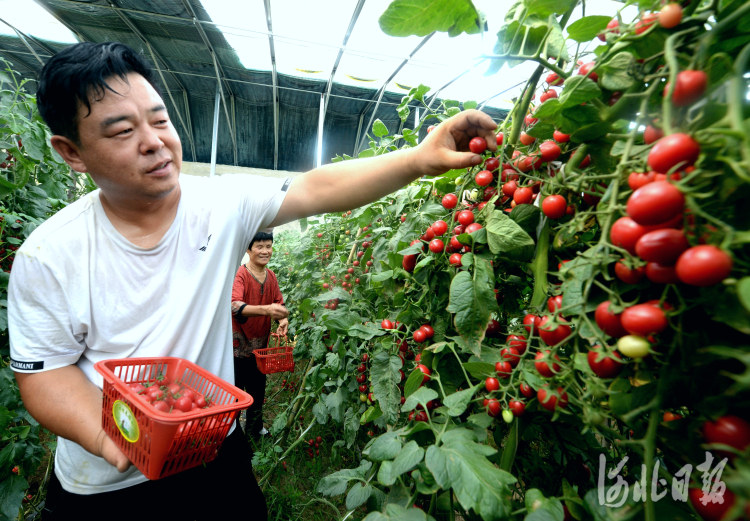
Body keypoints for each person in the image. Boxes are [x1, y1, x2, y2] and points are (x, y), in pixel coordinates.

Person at [7, 41, 497, 520]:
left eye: (159, 119)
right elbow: (45, 375)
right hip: (108, 482)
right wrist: (110, 435)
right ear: (71, 152)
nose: (154, 140)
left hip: (212, 450)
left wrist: (416, 160)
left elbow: (315, 186)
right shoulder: (51, 256)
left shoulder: (220, 206)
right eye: (120, 131)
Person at [231, 230, 288, 439]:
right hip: (237, 348)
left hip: (260, 349)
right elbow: (235, 306)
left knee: (257, 391)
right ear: (249, 249)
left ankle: (255, 430)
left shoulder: (271, 276)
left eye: (268, 246)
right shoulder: (241, 274)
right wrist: (266, 310)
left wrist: (282, 320)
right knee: (236, 394)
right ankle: (233, 434)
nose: (265, 251)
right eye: (260, 246)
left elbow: (278, 304)